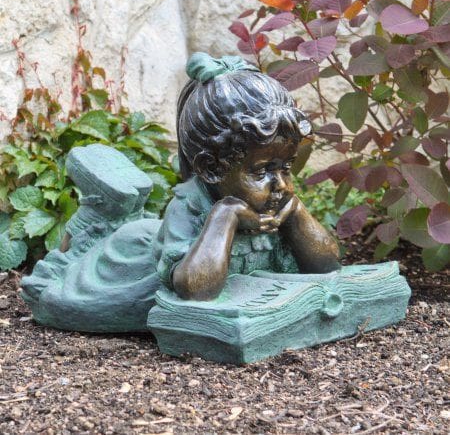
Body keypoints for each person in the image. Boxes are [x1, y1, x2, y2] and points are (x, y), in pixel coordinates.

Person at [21, 52, 340, 332]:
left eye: (286, 167)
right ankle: (100, 214)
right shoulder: (190, 206)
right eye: (261, 171)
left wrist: (296, 212)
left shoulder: (276, 200)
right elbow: (196, 289)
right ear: (211, 168)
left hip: (158, 238)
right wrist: (225, 216)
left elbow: (327, 265)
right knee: (61, 292)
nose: (282, 184)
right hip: (134, 262)